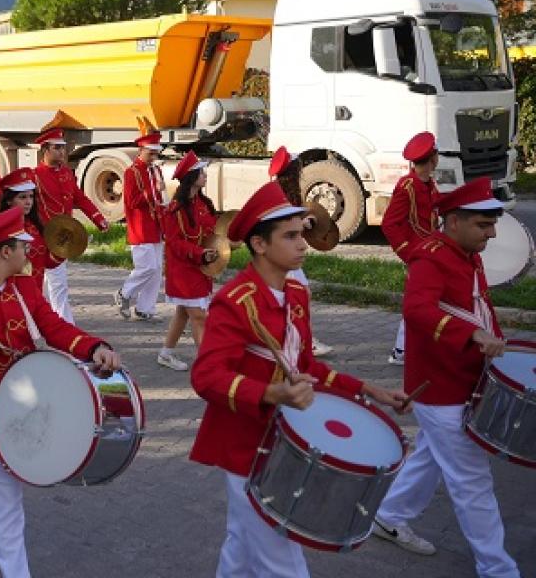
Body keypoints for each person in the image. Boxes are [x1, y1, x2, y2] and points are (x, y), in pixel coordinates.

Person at [189, 180, 408, 578]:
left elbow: (305, 366)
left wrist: (367, 389)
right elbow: (206, 376)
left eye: (301, 234)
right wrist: (270, 393)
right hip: (244, 446)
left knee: (241, 544)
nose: (303, 244)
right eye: (290, 236)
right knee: (283, 563)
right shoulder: (236, 302)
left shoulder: (295, 294)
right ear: (259, 244)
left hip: (280, 443)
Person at [0, 207, 121, 577]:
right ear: (5, 251)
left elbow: (54, 327)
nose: (30, 252)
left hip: (22, 409)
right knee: (7, 496)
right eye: (23, 246)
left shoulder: (24, 287)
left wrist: (94, 347)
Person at [371, 177, 521, 576]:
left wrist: (495, 344)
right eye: (482, 225)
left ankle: (389, 515)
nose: (490, 233)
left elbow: (476, 305)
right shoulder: (431, 257)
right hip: (440, 388)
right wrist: (470, 334)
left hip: (462, 378)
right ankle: (497, 568)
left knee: (432, 456)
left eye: (492, 225)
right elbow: (416, 310)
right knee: (472, 480)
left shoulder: (465, 251)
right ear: (453, 221)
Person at [33, 128, 109, 322]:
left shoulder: (66, 172)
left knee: (58, 284)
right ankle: (53, 322)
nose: (62, 152)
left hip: (63, 237)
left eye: (63, 148)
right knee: (38, 284)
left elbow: (79, 198)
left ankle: (62, 324)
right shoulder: (35, 176)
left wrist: (98, 218)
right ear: (45, 150)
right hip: (41, 238)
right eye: (56, 148)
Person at [268, 146, 334, 357]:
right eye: (298, 168)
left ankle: (292, 338)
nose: (301, 171)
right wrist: (303, 224)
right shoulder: (280, 194)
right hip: (281, 254)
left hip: (283, 253)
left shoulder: (286, 192)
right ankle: (304, 341)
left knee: (296, 296)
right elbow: (281, 225)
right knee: (301, 294)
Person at [382, 132, 440, 366]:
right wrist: (408, 252)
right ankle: (401, 351)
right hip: (418, 253)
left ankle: (408, 349)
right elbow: (389, 224)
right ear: (433, 158)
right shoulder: (408, 186)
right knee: (417, 300)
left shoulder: (428, 183)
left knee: (426, 299)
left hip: (430, 250)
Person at [158, 151, 219, 371]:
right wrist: (200, 253)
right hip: (183, 269)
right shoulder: (176, 209)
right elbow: (174, 243)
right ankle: (206, 364)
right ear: (192, 177)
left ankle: (166, 354)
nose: (205, 176)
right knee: (198, 315)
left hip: (200, 267)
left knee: (184, 312)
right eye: (201, 173)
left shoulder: (203, 203)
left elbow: (213, 230)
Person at [115, 131, 166, 321]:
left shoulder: (155, 170)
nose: (154, 157)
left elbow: (160, 198)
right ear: (141, 150)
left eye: (156, 153)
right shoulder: (132, 172)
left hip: (156, 224)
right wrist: (151, 194)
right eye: (150, 153)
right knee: (147, 267)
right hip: (140, 226)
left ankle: (146, 308)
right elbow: (131, 201)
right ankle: (125, 293)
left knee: (157, 269)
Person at [0, 168, 56, 294]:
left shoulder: (36, 227)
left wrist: (61, 250)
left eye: (31, 196)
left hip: (36, 294)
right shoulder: (0, 229)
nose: (28, 202)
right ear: (9, 201)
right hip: (11, 296)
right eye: (22, 197)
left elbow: (47, 262)